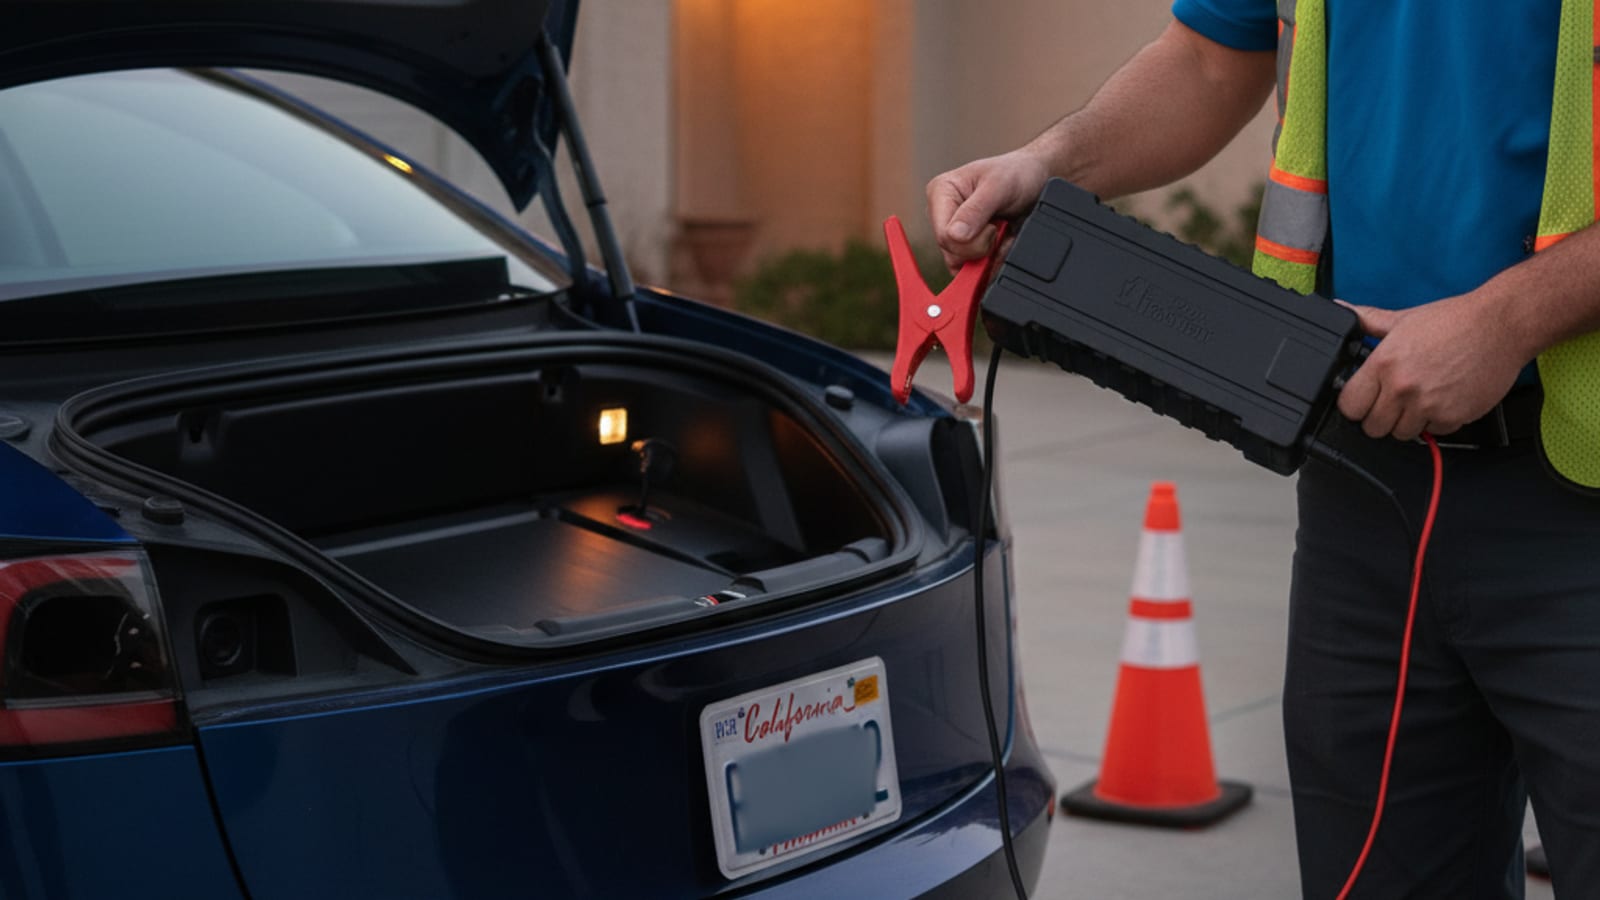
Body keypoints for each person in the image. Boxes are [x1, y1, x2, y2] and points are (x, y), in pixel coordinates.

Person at [926, 3, 1600, 896]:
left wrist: (1508, 320)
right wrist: (1048, 163)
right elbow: (1208, 61)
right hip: (1362, 479)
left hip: (1579, 493)